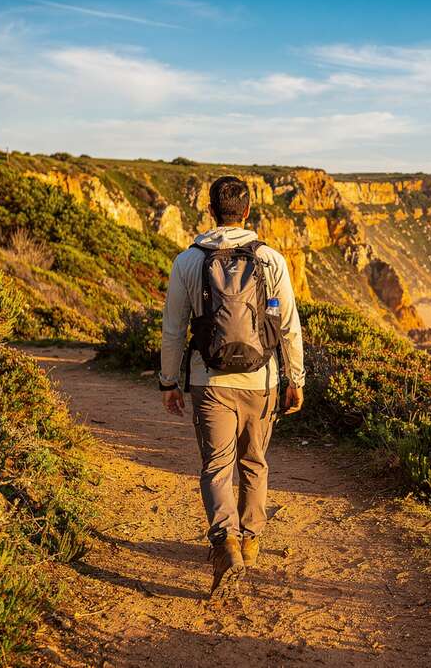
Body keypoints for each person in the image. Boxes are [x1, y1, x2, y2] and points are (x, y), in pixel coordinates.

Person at [158, 175, 304, 594]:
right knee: (254, 462)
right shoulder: (271, 260)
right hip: (263, 380)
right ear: (248, 211)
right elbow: (289, 326)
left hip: (210, 381)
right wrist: (295, 378)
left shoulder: (188, 261)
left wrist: (169, 381)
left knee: (217, 466)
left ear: (210, 210)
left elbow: (174, 329)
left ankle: (226, 543)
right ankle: (251, 540)